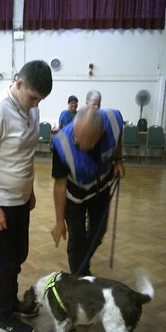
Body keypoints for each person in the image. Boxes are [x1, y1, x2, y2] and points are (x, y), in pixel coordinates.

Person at [0, 60, 52, 332]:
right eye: (32, 97)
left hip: (20, 200)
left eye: (40, 100)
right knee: (3, 263)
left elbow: (25, 154)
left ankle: (11, 303)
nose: (35, 103)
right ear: (18, 83)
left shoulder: (32, 109)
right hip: (0, 202)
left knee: (18, 256)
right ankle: (2, 317)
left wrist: (29, 190)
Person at [51, 105, 125, 276]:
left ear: (102, 132)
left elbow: (118, 135)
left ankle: (81, 265)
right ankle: (81, 278)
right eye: (78, 139)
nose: (81, 145)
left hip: (100, 189)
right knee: (77, 239)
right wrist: (59, 221)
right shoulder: (61, 143)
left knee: (98, 233)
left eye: (88, 143)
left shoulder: (113, 120)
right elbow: (59, 185)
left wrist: (118, 159)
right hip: (74, 196)